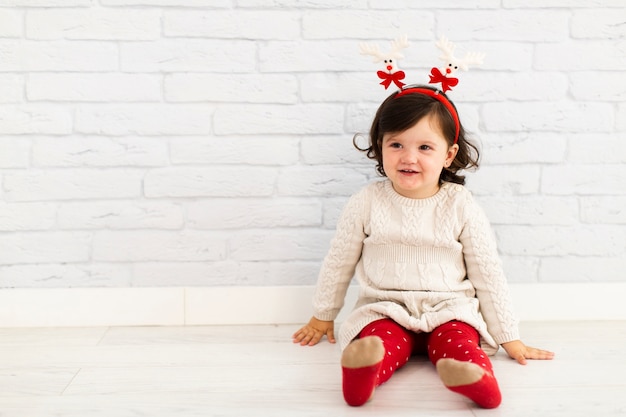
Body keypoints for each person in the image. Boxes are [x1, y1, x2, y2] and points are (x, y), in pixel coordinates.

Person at [292, 84, 554, 409]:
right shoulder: (367, 201)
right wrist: (323, 314)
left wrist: (508, 336)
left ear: (448, 154)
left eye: (425, 147)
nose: (409, 157)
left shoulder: (460, 204)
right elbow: (339, 261)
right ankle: (363, 375)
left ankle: (474, 378)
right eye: (396, 144)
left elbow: (487, 272)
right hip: (386, 307)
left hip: (448, 309)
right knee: (380, 340)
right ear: (380, 147)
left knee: (460, 342)